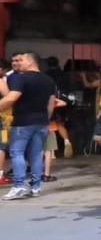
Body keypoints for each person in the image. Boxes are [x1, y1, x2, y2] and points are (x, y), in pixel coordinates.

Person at [0, 52, 57, 200]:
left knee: (16, 153)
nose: (18, 63)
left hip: (23, 122)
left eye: (21, 60)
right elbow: (51, 103)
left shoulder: (21, 78)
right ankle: (36, 187)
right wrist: (46, 118)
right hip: (41, 122)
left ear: (31, 62)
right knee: (35, 154)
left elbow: (12, 98)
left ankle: (18, 186)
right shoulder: (48, 80)